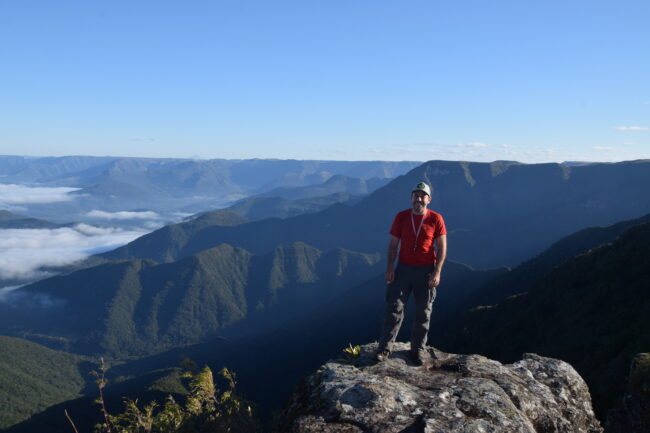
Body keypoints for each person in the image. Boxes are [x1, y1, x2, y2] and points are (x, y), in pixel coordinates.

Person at [376, 181, 447, 365]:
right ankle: (384, 349)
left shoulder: (436, 219)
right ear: (411, 198)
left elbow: (442, 248)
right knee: (393, 309)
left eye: (422, 196)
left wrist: (437, 272)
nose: (419, 199)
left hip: (426, 271)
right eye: (416, 195)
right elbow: (393, 245)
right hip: (403, 269)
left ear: (429, 199)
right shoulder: (401, 217)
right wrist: (390, 268)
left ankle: (418, 350)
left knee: (423, 312)